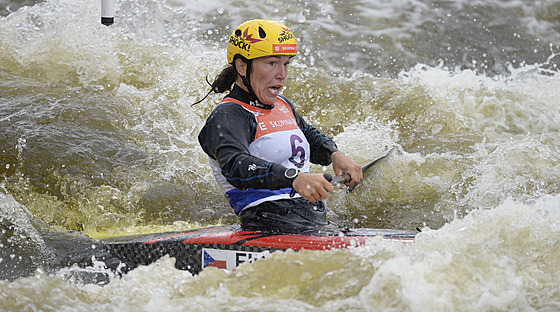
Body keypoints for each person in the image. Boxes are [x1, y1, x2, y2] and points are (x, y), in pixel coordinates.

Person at [197, 19, 363, 232]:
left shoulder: (282, 104)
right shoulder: (228, 115)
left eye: (286, 64)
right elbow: (235, 166)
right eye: (272, 63)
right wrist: (294, 178)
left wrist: (334, 154)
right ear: (242, 66)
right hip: (265, 223)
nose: (282, 74)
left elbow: (308, 137)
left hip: (310, 220)